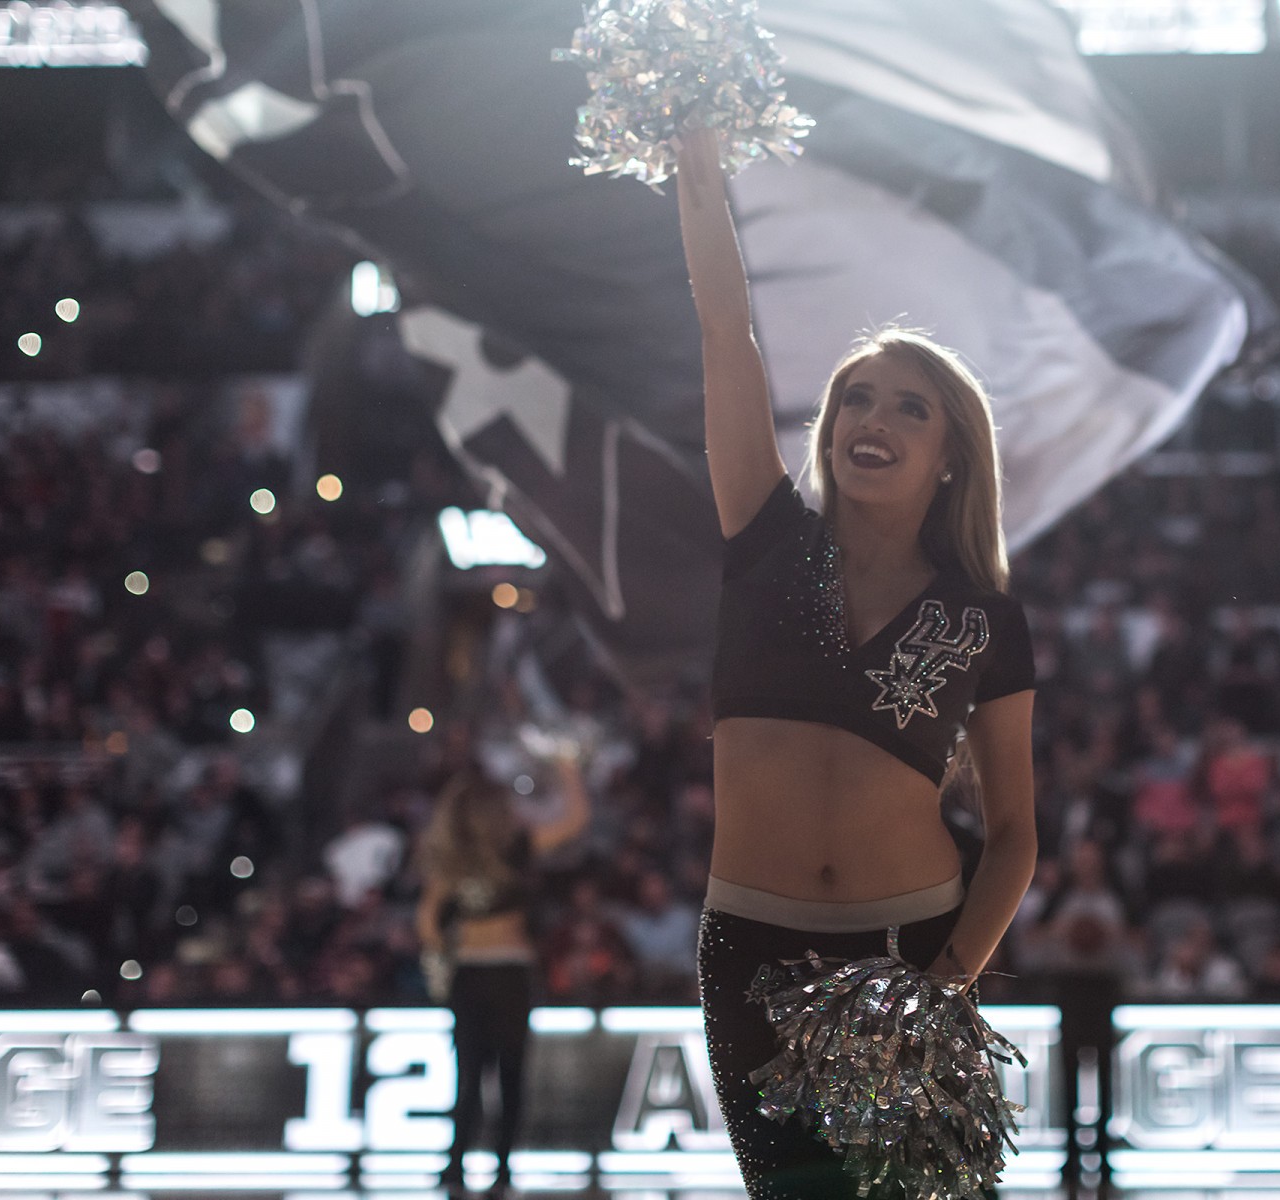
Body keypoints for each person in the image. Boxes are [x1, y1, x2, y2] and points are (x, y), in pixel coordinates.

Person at [674, 126, 1038, 1198]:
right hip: (751, 951)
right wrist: (697, 169)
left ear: (950, 455)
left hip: (910, 949)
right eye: (856, 400)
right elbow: (724, 328)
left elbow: (1015, 835)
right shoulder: (765, 539)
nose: (872, 421)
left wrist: (945, 983)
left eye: (908, 408)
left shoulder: (983, 618)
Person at [416, 754, 589, 1199]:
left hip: (473, 972)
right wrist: (566, 766)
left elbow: (428, 923)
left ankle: (458, 1168)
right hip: (507, 970)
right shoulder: (509, 851)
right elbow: (573, 821)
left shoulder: (457, 860)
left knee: (472, 1074)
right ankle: (499, 1172)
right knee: (507, 1076)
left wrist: (446, 956)